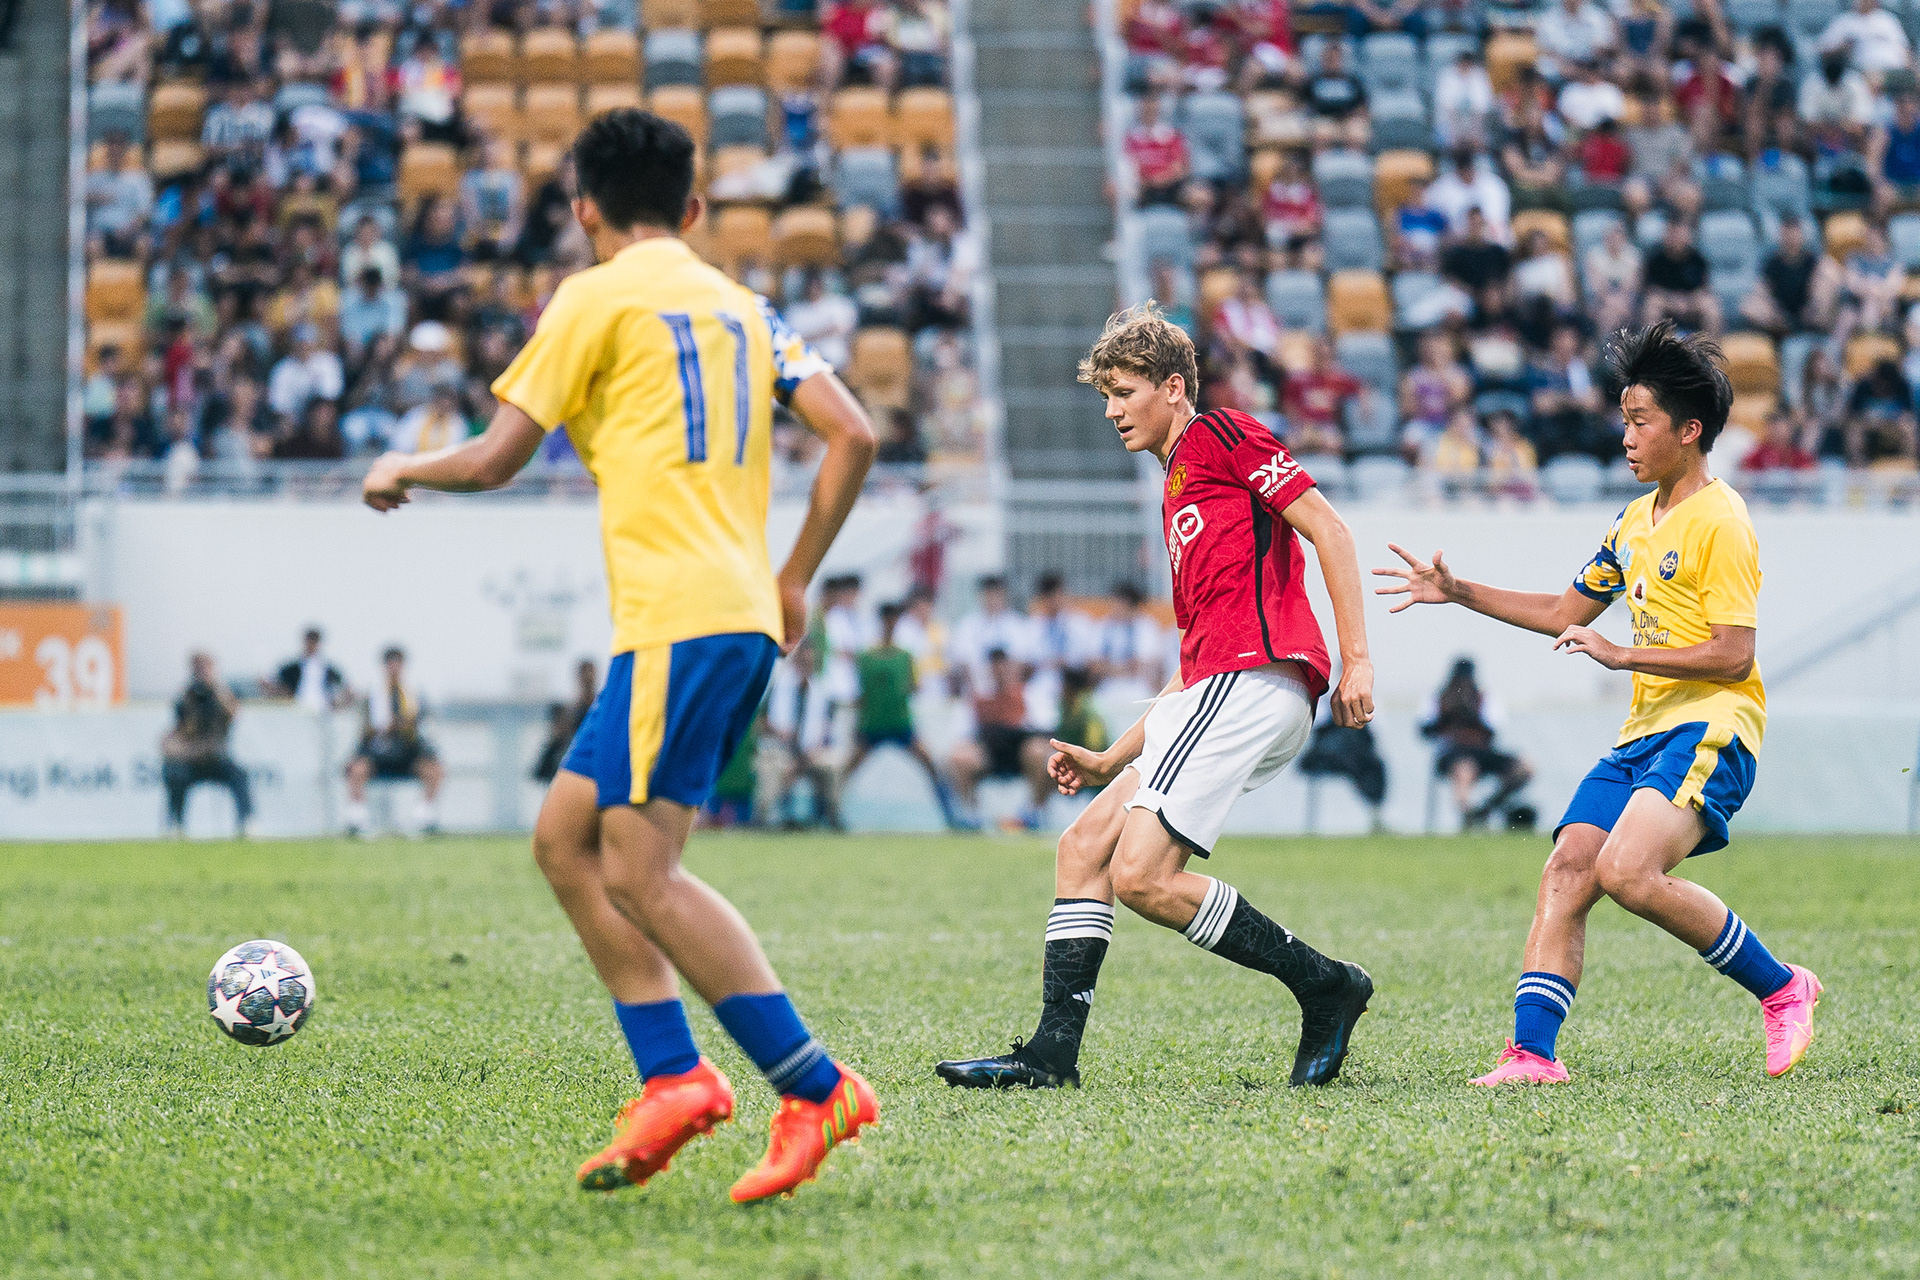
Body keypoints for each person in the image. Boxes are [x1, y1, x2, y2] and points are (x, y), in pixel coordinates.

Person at [359, 109, 880, 1202]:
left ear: (584, 208)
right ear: (693, 209)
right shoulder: (745, 306)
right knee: (565, 840)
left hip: (680, 621)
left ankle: (816, 1085)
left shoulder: (591, 296)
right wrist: (793, 576)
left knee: (642, 873)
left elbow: (497, 458)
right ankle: (675, 1078)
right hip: (730, 613)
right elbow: (855, 431)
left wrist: (404, 466)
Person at [936, 302, 1378, 1092]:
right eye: (1106, 395)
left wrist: (1359, 662)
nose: (1112, 411)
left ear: (1174, 387)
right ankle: (1051, 1056)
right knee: (1083, 848)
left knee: (1142, 876)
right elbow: (1193, 663)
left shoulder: (1221, 435)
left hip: (1255, 680)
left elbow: (1331, 531)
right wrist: (1111, 758)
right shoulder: (1177, 489)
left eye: (1124, 391)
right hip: (1220, 683)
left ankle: (1325, 986)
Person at [1374, 320, 1822, 1087]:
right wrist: (1458, 591)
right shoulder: (1633, 522)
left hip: (1713, 723)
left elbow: (1733, 654)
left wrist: (1623, 654)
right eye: (1624, 419)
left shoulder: (1722, 521)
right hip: (1645, 731)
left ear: (1689, 429)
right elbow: (1563, 612)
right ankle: (1533, 1055)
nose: (1626, 437)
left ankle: (1782, 987)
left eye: (1641, 421)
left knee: (1628, 871)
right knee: (1568, 868)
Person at [844, 602, 962, 827]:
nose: (891, 625)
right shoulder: (866, 658)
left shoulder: (905, 656)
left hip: (900, 723)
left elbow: (914, 687)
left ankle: (951, 813)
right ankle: (829, 811)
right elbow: (862, 695)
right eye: (888, 620)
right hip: (873, 724)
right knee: (848, 770)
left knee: (930, 765)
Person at [945, 648, 1055, 829]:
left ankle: (1033, 811)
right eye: (994, 668)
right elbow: (962, 735)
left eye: (1003, 667)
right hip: (989, 753)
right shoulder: (977, 698)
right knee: (960, 757)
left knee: (1040, 752)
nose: (999, 672)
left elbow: (1047, 731)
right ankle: (971, 815)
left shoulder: (1029, 694)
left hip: (1021, 754)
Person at [1422, 657, 1535, 829]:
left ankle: (1487, 808)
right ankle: (1467, 814)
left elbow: (1494, 728)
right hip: (1452, 752)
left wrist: (1471, 715)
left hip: (1483, 751)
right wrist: (1448, 718)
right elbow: (1425, 730)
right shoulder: (1438, 698)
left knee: (1524, 768)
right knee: (1464, 770)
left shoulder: (1484, 697)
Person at [343, 646, 444, 835]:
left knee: (435, 769)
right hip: (378, 751)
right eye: (390, 664)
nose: (394, 668)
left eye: (398, 664)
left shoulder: (414, 694)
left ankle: (425, 817)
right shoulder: (372, 695)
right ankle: (357, 819)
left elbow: (423, 726)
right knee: (355, 769)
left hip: (408, 751)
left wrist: (405, 725)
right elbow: (365, 730)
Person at [161, 651, 252, 837]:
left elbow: (233, 713)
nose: (202, 673)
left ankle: (247, 822)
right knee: (175, 774)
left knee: (239, 775)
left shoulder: (221, 693)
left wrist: (216, 689)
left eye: (205, 668)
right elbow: (179, 730)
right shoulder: (186, 697)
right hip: (192, 759)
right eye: (198, 668)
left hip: (216, 758)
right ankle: (176, 823)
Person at [535, 659, 600, 783]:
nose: (587, 679)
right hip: (571, 775)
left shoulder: (598, 712)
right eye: (585, 675)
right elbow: (543, 769)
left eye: (590, 675)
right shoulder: (568, 714)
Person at [272, 626, 351, 712]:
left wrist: (338, 704)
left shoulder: (328, 670)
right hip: (296, 709)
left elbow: (343, 689)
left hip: (322, 711)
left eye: (314, 642)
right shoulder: (291, 669)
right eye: (310, 641)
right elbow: (279, 687)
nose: (311, 645)